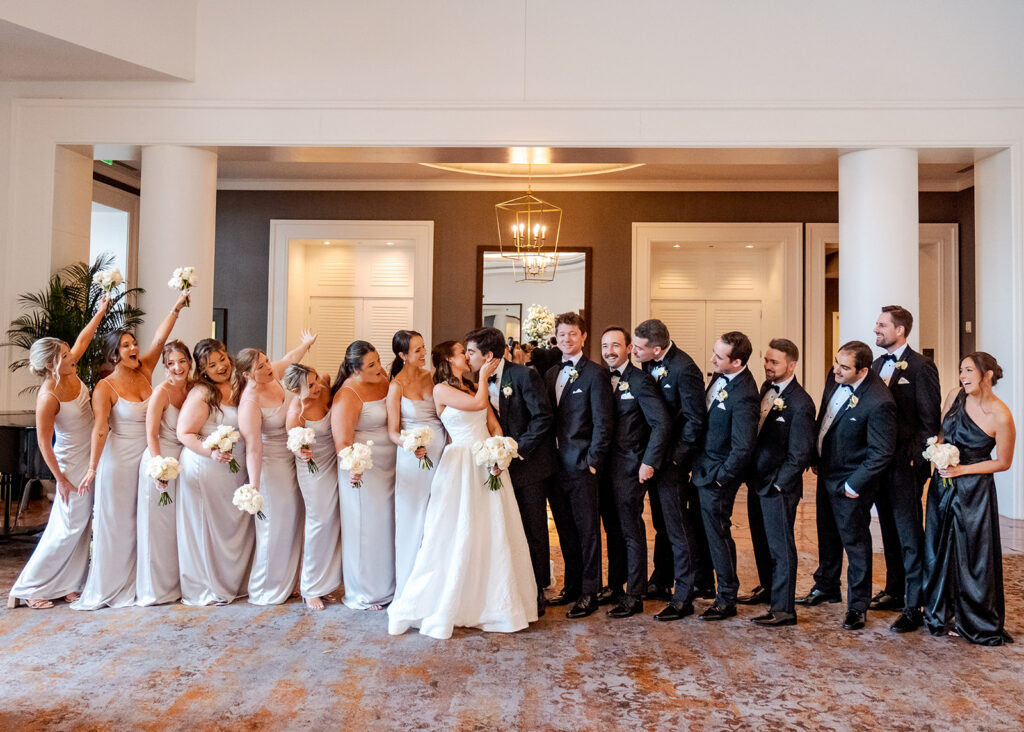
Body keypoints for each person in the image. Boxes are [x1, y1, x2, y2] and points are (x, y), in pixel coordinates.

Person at [387, 341, 539, 639]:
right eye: (462, 352)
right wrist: (484, 377)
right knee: (456, 531)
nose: (467, 356)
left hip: (487, 462)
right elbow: (479, 405)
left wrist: (499, 453)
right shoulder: (441, 389)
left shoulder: (471, 386)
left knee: (493, 530)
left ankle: (493, 602)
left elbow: (492, 423)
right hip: (460, 464)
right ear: (447, 358)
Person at [72, 293, 188, 610]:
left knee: (144, 524)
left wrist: (176, 307)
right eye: (125, 345)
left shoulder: (146, 369)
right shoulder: (104, 388)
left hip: (148, 454)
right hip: (118, 459)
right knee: (118, 524)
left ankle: (143, 584)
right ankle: (110, 586)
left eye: (133, 343)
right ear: (113, 355)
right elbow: (99, 429)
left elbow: (161, 336)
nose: (134, 348)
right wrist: (93, 469)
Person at [8, 297, 108, 608]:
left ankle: (67, 584)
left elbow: (82, 339)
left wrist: (100, 313)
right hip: (69, 464)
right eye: (65, 355)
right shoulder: (47, 397)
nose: (72, 356)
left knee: (82, 527)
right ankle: (30, 587)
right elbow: (42, 442)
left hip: (91, 456)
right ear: (52, 363)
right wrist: (61, 480)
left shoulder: (69, 371)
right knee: (68, 528)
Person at [797, 341, 896, 630]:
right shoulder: (835, 377)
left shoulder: (880, 402)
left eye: (844, 366)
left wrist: (854, 485)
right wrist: (816, 456)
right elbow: (826, 419)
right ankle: (827, 585)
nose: (836, 370)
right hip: (827, 472)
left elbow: (881, 452)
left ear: (863, 370)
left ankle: (857, 605)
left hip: (851, 480)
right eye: (836, 362)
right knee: (826, 533)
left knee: (855, 543)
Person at [923, 352, 1016, 645]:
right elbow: (941, 433)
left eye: (969, 370)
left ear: (987, 374)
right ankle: (941, 614)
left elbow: (1003, 462)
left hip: (974, 491)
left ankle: (975, 617)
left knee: (973, 553)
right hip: (943, 484)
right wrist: (937, 455)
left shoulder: (1001, 414)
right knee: (938, 547)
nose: (962, 376)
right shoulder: (954, 397)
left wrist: (962, 469)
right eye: (961, 370)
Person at [465, 326, 556, 618]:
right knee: (503, 530)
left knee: (533, 529)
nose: (467, 358)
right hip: (492, 468)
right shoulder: (469, 381)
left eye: (471, 352)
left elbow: (542, 419)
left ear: (488, 355)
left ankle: (538, 588)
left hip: (527, 466)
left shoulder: (523, 375)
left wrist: (512, 451)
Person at [868, 306, 941, 633]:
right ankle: (895, 590)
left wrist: (916, 461)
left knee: (910, 535)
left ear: (900, 330)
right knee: (888, 529)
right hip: (880, 464)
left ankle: (916, 604)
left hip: (905, 465)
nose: (876, 330)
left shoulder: (921, 367)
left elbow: (930, 421)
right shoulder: (875, 365)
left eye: (882, 325)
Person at [632, 319, 708, 620]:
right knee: (662, 525)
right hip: (654, 458)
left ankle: (683, 595)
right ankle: (661, 580)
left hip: (672, 463)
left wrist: (676, 459)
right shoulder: (649, 364)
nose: (633, 351)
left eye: (639, 347)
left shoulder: (684, 369)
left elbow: (695, 420)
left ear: (658, 348)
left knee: (678, 529)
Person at [237, 332, 317, 606]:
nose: (268, 367)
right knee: (273, 526)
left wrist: (305, 344)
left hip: (292, 461)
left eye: (266, 360)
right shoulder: (249, 402)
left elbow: (289, 359)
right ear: (247, 375)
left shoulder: (274, 375)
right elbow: (253, 447)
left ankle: (290, 582)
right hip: (270, 467)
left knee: (294, 522)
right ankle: (265, 588)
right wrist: (255, 486)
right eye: (260, 366)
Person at [543, 312, 614, 619]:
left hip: (583, 466)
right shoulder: (550, 374)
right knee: (566, 530)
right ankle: (571, 586)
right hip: (554, 467)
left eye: (572, 334)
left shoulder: (595, 374)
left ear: (584, 337)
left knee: (588, 532)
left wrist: (593, 462)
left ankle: (589, 591)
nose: (566, 339)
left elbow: (604, 422)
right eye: (561, 334)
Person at [743, 339, 816, 627]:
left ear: (792, 364)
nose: (767, 366)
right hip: (757, 481)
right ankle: (768, 589)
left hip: (778, 487)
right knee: (760, 542)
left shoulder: (801, 403)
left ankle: (784, 609)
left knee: (781, 548)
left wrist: (778, 484)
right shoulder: (765, 389)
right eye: (766, 360)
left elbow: (800, 455)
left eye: (774, 362)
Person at [599, 326, 670, 618]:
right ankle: (615, 585)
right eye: (605, 346)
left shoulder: (640, 381)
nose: (609, 352)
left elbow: (661, 424)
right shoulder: (600, 378)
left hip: (630, 467)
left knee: (631, 531)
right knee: (612, 530)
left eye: (615, 345)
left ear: (629, 349)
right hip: (603, 467)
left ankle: (635, 593)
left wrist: (648, 461)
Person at [175, 339, 253, 605]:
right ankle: (207, 586)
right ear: (203, 370)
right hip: (206, 467)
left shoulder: (239, 386)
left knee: (233, 526)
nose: (221, 366)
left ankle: (234, 582)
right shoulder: (202, 393)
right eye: (212, 364)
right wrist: (212, 452)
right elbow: (184, 433)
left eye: (222, 359)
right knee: (207, 528)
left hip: (233, 470)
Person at [691, 331, 760, 621]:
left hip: (717, 476)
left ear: (737, 362)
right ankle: (704, 583)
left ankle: (727, 597)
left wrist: (721, 477)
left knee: (718, 534)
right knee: (703, 531)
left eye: (718, 357)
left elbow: (743, 446)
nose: (711, 359)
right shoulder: (721, 377)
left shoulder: (744, 394)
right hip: (702, 469)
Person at [332, 340, 397, 610]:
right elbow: (342, 441)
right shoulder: (347, 394)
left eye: (379, 360)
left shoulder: (385, 381)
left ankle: (390, 586)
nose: (379, 367)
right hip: (363, 469)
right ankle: (365, 591)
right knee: (366, 529)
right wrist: (354, 468)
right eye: (371, 365)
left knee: (387, 527)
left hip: (391, 464)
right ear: (355, 370)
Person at [386, 330, 446, 597]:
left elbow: (445, 413)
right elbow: (393, 431)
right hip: (412, 458)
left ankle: (436, 584)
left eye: (424, 348)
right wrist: (410, 445)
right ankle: (410, 589)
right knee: (413, 518)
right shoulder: (396, 386)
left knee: (438, 515)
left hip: (442, 452)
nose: (424, 354)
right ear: (403, 355)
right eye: (418, 350)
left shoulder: (432, 376)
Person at [135, 340, 192, 606]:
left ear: (189, 362)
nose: (177, 367)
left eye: (181, 361)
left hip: (182, 464)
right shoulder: (161, 392)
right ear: (165, 367)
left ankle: (177, 586)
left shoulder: (194, 389)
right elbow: (151, 434)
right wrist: (159, 469)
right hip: (160, 460)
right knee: (157, 529)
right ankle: (154, 590)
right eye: (171, 363)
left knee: (175, 529)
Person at [285, 364, 342, 611]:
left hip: (334, 463)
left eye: (316, 379)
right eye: (310, 385)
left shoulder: (325, 389)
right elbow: (293, 442)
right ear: (297, 390)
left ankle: (327, 583)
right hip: (313, 470)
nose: (317, 386)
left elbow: (332, 376)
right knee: (318, 524)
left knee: (333, 523)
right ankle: (309, 587)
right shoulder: (297, 410)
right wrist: (300, 450)